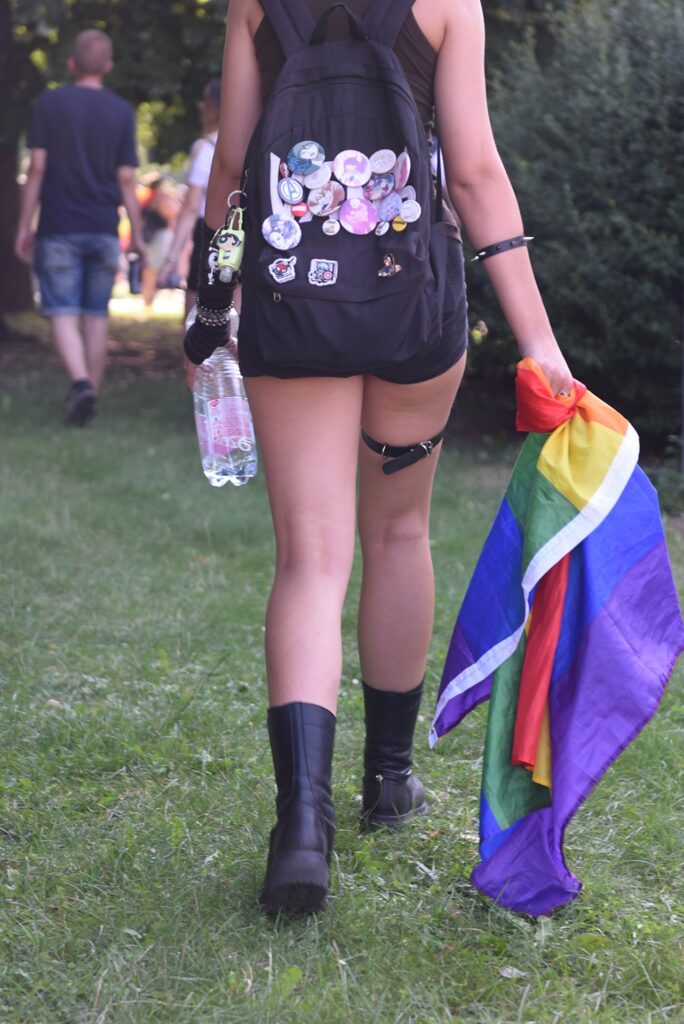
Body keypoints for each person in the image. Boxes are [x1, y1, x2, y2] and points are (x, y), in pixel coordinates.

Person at [184, 0, 573, 915]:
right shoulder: (449, 4)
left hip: (291, 302)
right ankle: (389, 781)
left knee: (312, 562)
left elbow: (232, 166)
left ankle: (301, 828)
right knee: (399, 535)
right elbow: (472, 172)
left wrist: (210, 305)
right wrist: (539, 340)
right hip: (414, 307)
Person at [15, 29, 145, 426]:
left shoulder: (50, 104)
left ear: (71, 64)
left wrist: (24, 224)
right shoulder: (121, 111)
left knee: (62, 311)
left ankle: (81, 384)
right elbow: (126, 178)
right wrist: (137, 233)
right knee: (96, 316)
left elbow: (37, 167)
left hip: (59, 226)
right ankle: (90, 402)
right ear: (108, 66)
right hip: (104, 227)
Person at [157, 79, 222, 314]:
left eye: (205, 101)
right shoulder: (251, 143)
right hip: (245, 235)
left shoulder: (206, 147)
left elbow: (191, 207)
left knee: (196, 317)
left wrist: (172, 258)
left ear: (214, 107)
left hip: (209, 236)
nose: (200, 106)